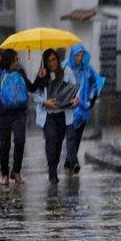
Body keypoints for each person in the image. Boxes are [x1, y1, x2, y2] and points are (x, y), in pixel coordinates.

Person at [0, 49, 38, 185]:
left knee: (20, 141)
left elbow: (31, 88)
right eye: (15, 59)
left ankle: (16, 171)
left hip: (19, 114)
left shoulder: (20, 72)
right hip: (2, 115)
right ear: (8, 60)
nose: (18, 62)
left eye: (18, 59)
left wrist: (40, 76)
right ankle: (4, 174)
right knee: (5, 145)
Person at [33, 49, 78, 185]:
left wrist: (76, 99)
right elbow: (35, 95)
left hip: (63, 114)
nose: (52, 63)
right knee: (50, 139)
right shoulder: (42, 75)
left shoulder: (67, 72)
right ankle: (52, 173)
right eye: (49, 61)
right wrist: (44, 101)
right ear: (45, 62)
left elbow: (75, 89)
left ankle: (54, 164)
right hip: (48, 115)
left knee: (58, 142)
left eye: (54, 60)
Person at [63, 44, 103, 176]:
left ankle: (69, 163)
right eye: (77, 55)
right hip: (69, 109)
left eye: (81, 55)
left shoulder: (87, 69)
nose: (79, 58)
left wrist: (90, 99)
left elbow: (94, 84)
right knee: (70, 137)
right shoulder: (66, 68)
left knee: (77, 138)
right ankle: (74, 163)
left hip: (83, 109)